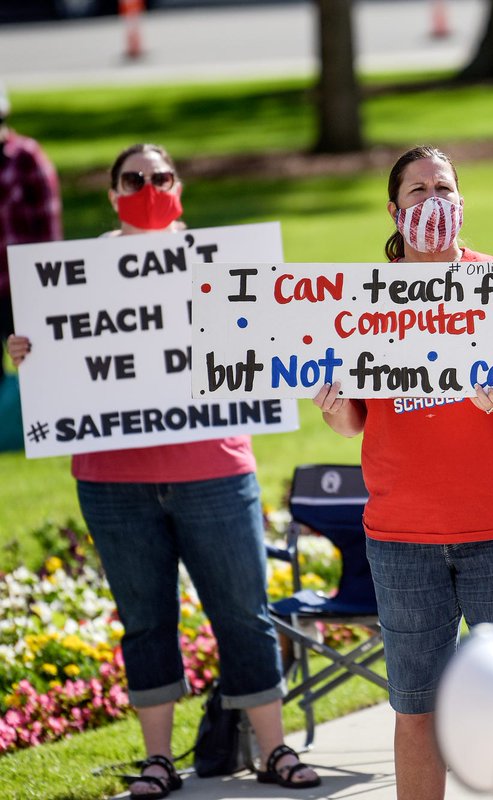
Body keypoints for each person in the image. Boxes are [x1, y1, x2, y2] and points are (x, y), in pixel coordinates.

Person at [6, 143, 318, 798]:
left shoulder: (222, 263)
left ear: (180, 187)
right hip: (112, 480)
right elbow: (59, 366)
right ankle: (157, 761)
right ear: (113, 193)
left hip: (214, 469)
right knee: (145, 620)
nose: (149, 187)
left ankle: (274, 749)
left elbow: (263, 341)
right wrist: (29, 350)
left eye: (162, 176)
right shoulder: (71, 280)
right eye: (134, 178)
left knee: (244, 613)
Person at [312, 145, 493, 800]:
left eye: (444, 188)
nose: (433, 200)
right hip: (404, 540)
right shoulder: (363, 300)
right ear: (394, 210)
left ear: (461, 201)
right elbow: (353, 422)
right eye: (418, 190)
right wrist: (334, 405)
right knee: (417, 713)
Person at [0, 80, 62, 385]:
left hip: (21, 286)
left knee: (39, 365)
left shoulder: (26, 156)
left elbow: (49, 226)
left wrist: (47, 284)